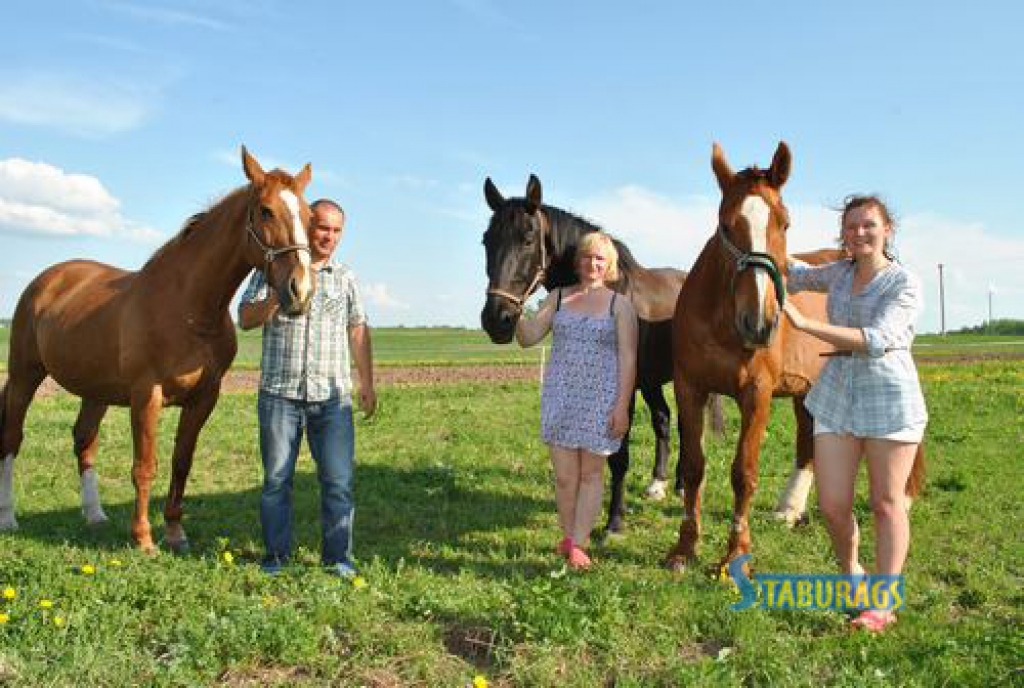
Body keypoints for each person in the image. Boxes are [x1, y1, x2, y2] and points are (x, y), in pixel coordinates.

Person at [782, 195, 927, 632]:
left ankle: (882, 604)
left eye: (868, 225)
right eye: (851, 226)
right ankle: (852, 573)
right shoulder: (840, 273)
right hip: (837, 396)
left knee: (886, 503)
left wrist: (806, 325)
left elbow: (878, 337)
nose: (859, 233)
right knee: (831, 504)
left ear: (887, 230)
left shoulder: (903, 283)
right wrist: (761, 240)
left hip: (888, 397)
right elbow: (795, 272)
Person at [238, 198, 376, 578]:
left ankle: (338, 559)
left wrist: (367, 382)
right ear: (307, 226)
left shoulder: (344, 277)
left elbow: (357, 328)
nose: (329, 237)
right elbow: (244, 318)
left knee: (338, 483)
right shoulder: (270, 270)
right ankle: (275, 558)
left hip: (331, 399)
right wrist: (275, 297)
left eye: (336, 230)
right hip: (279, 395)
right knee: (276, 481)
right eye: (322, 228)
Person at [515, 231, 638, 570]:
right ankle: (568, 537)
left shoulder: (619, 305)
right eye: (587, 256)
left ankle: (580, 543)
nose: (592, 263)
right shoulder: (557, 298)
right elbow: (528, 337)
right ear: (577, 261)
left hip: (601, 402)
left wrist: (621, 407)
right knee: (565, 478)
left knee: (591, 476)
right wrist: (516, 312)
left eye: (599, 258)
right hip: (561, 398)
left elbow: (628, 359)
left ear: (609, 264)